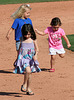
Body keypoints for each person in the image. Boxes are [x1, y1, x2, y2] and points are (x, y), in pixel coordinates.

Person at [13, 24, 41, 95]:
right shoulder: (21, 38)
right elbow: (19, 49)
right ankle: (24, 84)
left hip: (31, 58)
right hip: (23, 58)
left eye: (29, 34)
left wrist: (36, 55)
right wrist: (17, 59)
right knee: (28, 71)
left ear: (31, 32)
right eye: (26, 34)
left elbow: (37, 49)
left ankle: (28, 88)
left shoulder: (33, 39)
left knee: (29, 73)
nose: (27, 36)